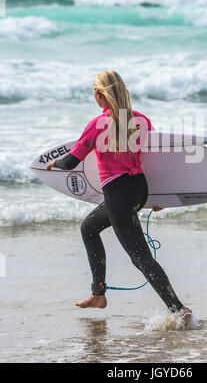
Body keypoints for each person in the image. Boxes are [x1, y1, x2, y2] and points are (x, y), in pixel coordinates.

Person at [47, 70, 192, 325]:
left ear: (100, 95)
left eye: (95, 93)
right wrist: (159, 198)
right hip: (139, 187)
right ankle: (98, 293)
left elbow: (71, 162)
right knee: (89, 228)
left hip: (118, 192)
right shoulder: (142, 121)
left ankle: (178, 309)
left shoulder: (96, 126)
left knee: (140, 258)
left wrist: (52, 164)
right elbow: (158, 159)